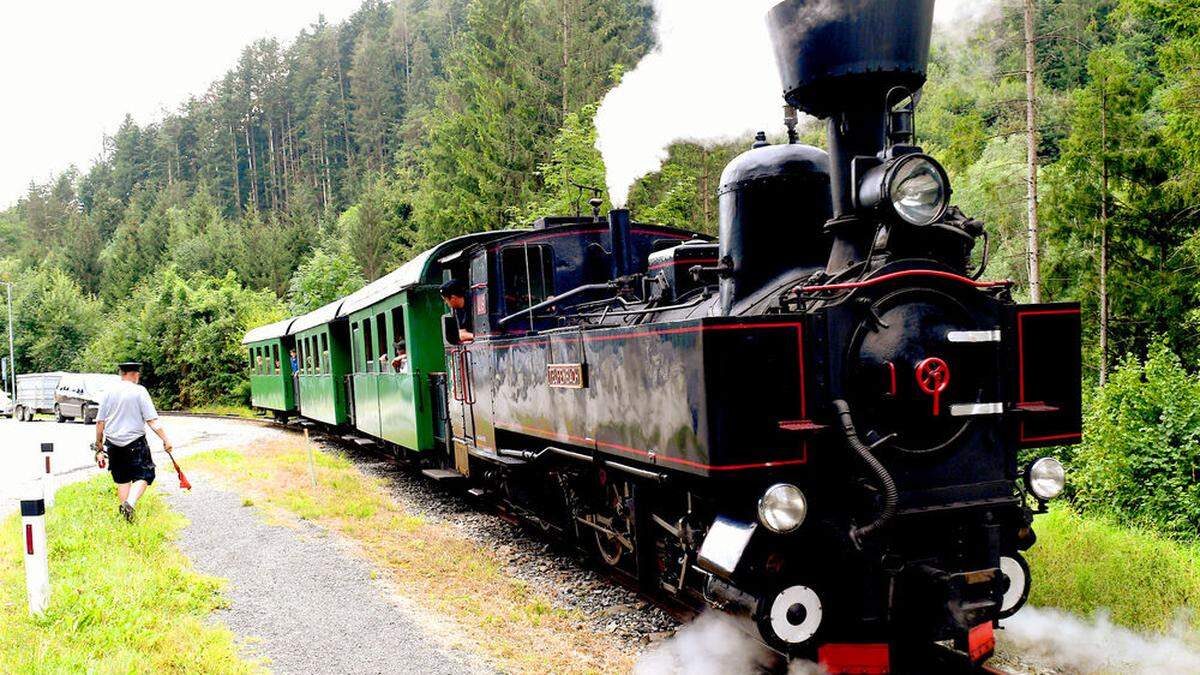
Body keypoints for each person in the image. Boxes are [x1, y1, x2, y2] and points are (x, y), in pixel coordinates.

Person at [91, 362, 173, 523]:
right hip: (135, 443)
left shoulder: (108, 392)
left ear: (122, 374)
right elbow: (152, 420)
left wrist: (99, 445)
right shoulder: (139, 391)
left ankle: (126, 515)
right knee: (145, 473)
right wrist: (165, 439)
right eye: (137, 374)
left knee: (122, 479)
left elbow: (100, 422)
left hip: (113, 444)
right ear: (134, 374)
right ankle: (130, 503)